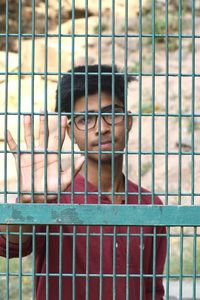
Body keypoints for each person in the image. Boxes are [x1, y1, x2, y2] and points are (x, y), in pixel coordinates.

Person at [0, 65, 166, 299]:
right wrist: (28, 206)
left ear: (128, 121)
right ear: (70, 132)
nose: (102, 128)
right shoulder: (51, 196)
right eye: (85, 119)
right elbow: (10, 245)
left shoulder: (150, 205)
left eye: (111, 113)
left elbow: (152, 291)